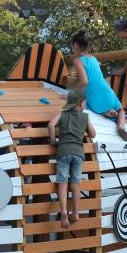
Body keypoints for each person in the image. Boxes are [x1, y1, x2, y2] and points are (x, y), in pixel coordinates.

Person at [70, 31, 127, 142]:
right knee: (121, 110)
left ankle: (106, 112)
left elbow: (84, 82)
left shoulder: (77, 61)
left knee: (91, 105)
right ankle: (120, 127)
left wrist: (71, 93)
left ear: (75, 45)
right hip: (107, 92)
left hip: (94, 98)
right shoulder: (94, 59)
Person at [48, 89, 96, 229]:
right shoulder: (85, 117)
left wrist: (52, 141)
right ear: (80, 103)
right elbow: (93, 134)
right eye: (85, 102)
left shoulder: (62, 114)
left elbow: (51, 125)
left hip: (63, 152)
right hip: (78, 154)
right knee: (75, 184)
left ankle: (63, 211)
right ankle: (75, 213)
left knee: (62, 183)